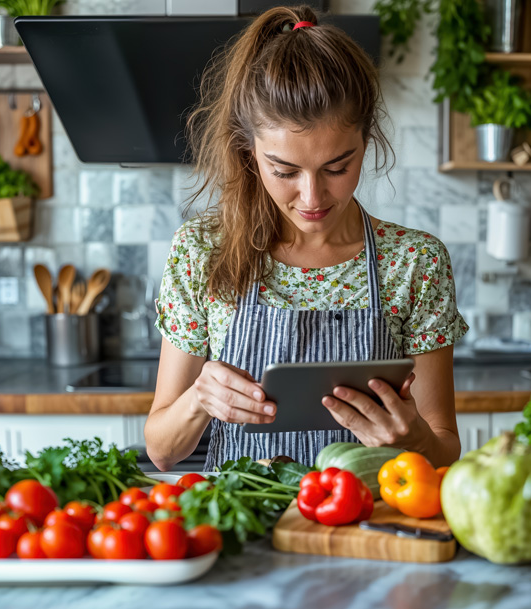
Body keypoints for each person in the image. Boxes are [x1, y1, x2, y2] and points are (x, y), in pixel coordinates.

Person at [145, 6, 468, 471]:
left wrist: (415, 439)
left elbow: (443, 449)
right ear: (249, 152)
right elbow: (161, 449)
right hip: (247, 526)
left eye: (338, 166)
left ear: (368, 139)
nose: (312, 196)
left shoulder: (415, 261)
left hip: (367, 529)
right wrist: (200, 398)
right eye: (285, 170)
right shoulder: (202, 252)